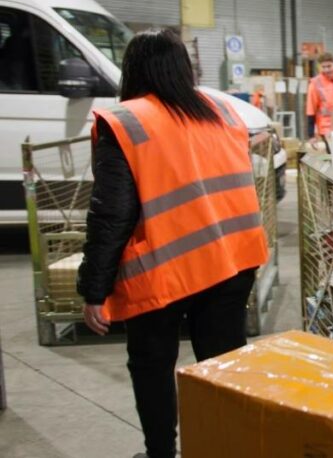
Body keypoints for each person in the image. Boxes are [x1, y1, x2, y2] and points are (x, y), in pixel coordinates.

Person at [76, 28, 269, 458]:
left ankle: (161, 453)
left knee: (152, 367)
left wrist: (94, 289)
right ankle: (227, 449)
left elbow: (111, 215)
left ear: (133, 68)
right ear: (184, 66)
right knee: (222, 367)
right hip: (233, 259)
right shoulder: (221, 108)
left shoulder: (126, 122)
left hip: (166, 268)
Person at [306, 51, 333, 140]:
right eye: (323, 67)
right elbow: (311, 110)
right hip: (327, 128)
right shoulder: (315, 84)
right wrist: (311, 135)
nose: (326, 70)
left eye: (329, 66)